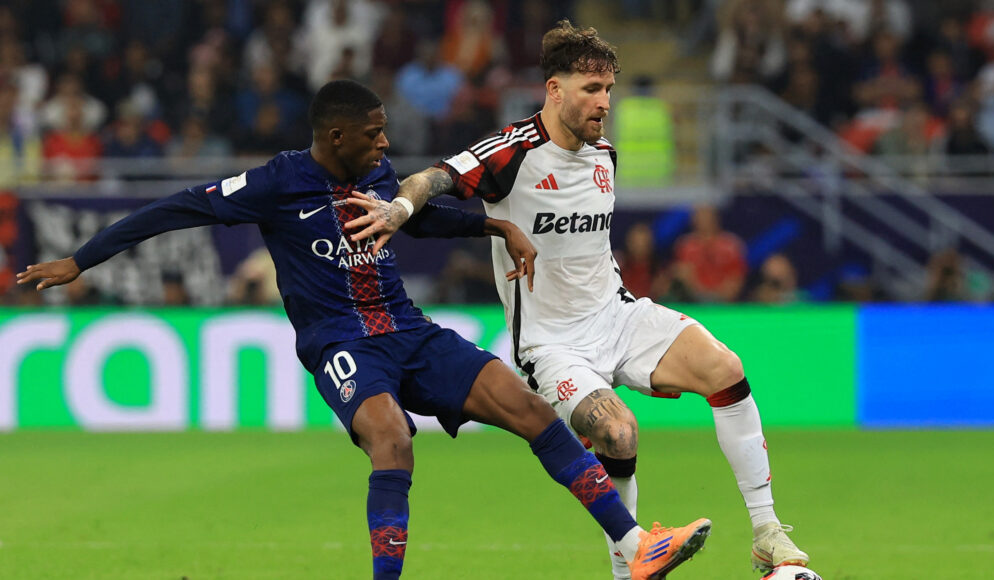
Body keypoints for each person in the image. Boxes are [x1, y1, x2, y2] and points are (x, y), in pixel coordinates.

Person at [18, 79, 710, 580]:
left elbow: (421, 216)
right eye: (374, 133)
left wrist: (492, 224)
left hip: (407, 329)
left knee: (529, 409)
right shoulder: (275, 183)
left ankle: (633, 547)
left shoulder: (374, 172)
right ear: (335, 137)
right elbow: (171, 209)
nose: (385, 144)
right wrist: (79, 261)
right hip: (341, 343)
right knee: (392, 439)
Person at [345, 21, 810, 578]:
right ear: (554, 89)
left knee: (726, 368)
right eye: (592, 90)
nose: (604, 103)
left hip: (617, 315)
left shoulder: (604, 155)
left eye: (609, 90)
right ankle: (631, 567)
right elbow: (432, 178)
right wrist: (398, 210)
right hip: (552, 344)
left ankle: (767, 534)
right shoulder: (511, 152)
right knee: (618, 431)